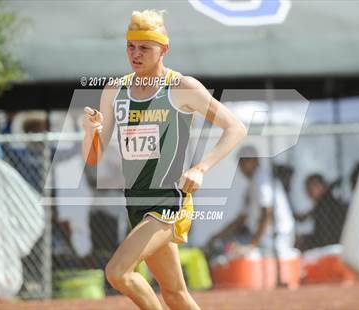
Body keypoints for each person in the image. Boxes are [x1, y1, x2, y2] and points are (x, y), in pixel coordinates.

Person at [82, 9, 246, 310]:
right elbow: (92, 158)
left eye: (144, 47)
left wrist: (201, 168)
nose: (135, 53)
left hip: (169, 202)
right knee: (175, 294)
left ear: (164, 49)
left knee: (117, 272)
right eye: (131, 46)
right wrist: (90, 133)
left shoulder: (182, 88)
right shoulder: (115, 90)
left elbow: (236, 128)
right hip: (136, 202)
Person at [208, 146, 295, 255]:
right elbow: (241, 219)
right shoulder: (252, 184)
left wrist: (252, 244)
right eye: (241, 162)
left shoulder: (262, 180)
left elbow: (267, 212)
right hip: (264, 238)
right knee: (226, 247)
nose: (242, 166)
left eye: (246, 161)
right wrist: (218, 236)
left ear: (256, 161)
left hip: (277, 237)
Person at [295, 174, 347, 251]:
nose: (309, 191)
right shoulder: (322, 205)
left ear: (322, 186)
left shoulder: (327, 206)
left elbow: (325, 238)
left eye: (312, 187)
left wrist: (304, 240)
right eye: (307, 188)